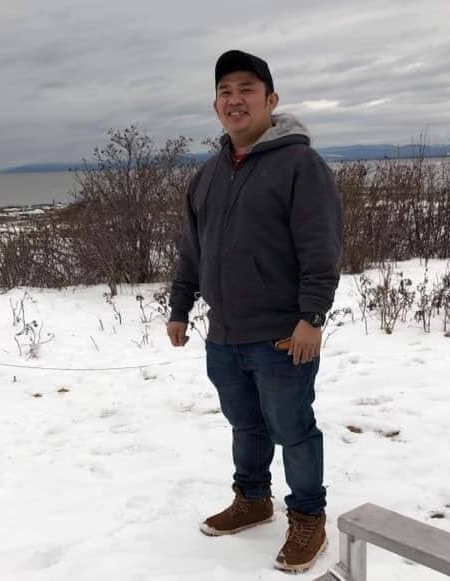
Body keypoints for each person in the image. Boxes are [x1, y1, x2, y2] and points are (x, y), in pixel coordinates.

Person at [167, 49, 343, 573]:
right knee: (245, 425)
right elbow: (192, 249)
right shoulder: (207, 175)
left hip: (282, 335)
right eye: (225, 91)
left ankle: (308, 517)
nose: (235, 99)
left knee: (293, 429)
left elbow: (321, 247)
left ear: (271, 100)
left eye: (246, 89)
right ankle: (253, 499)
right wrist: (180, 306)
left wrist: (313, 317)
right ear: (215, 106)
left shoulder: (300, 166)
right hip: (224, 335)